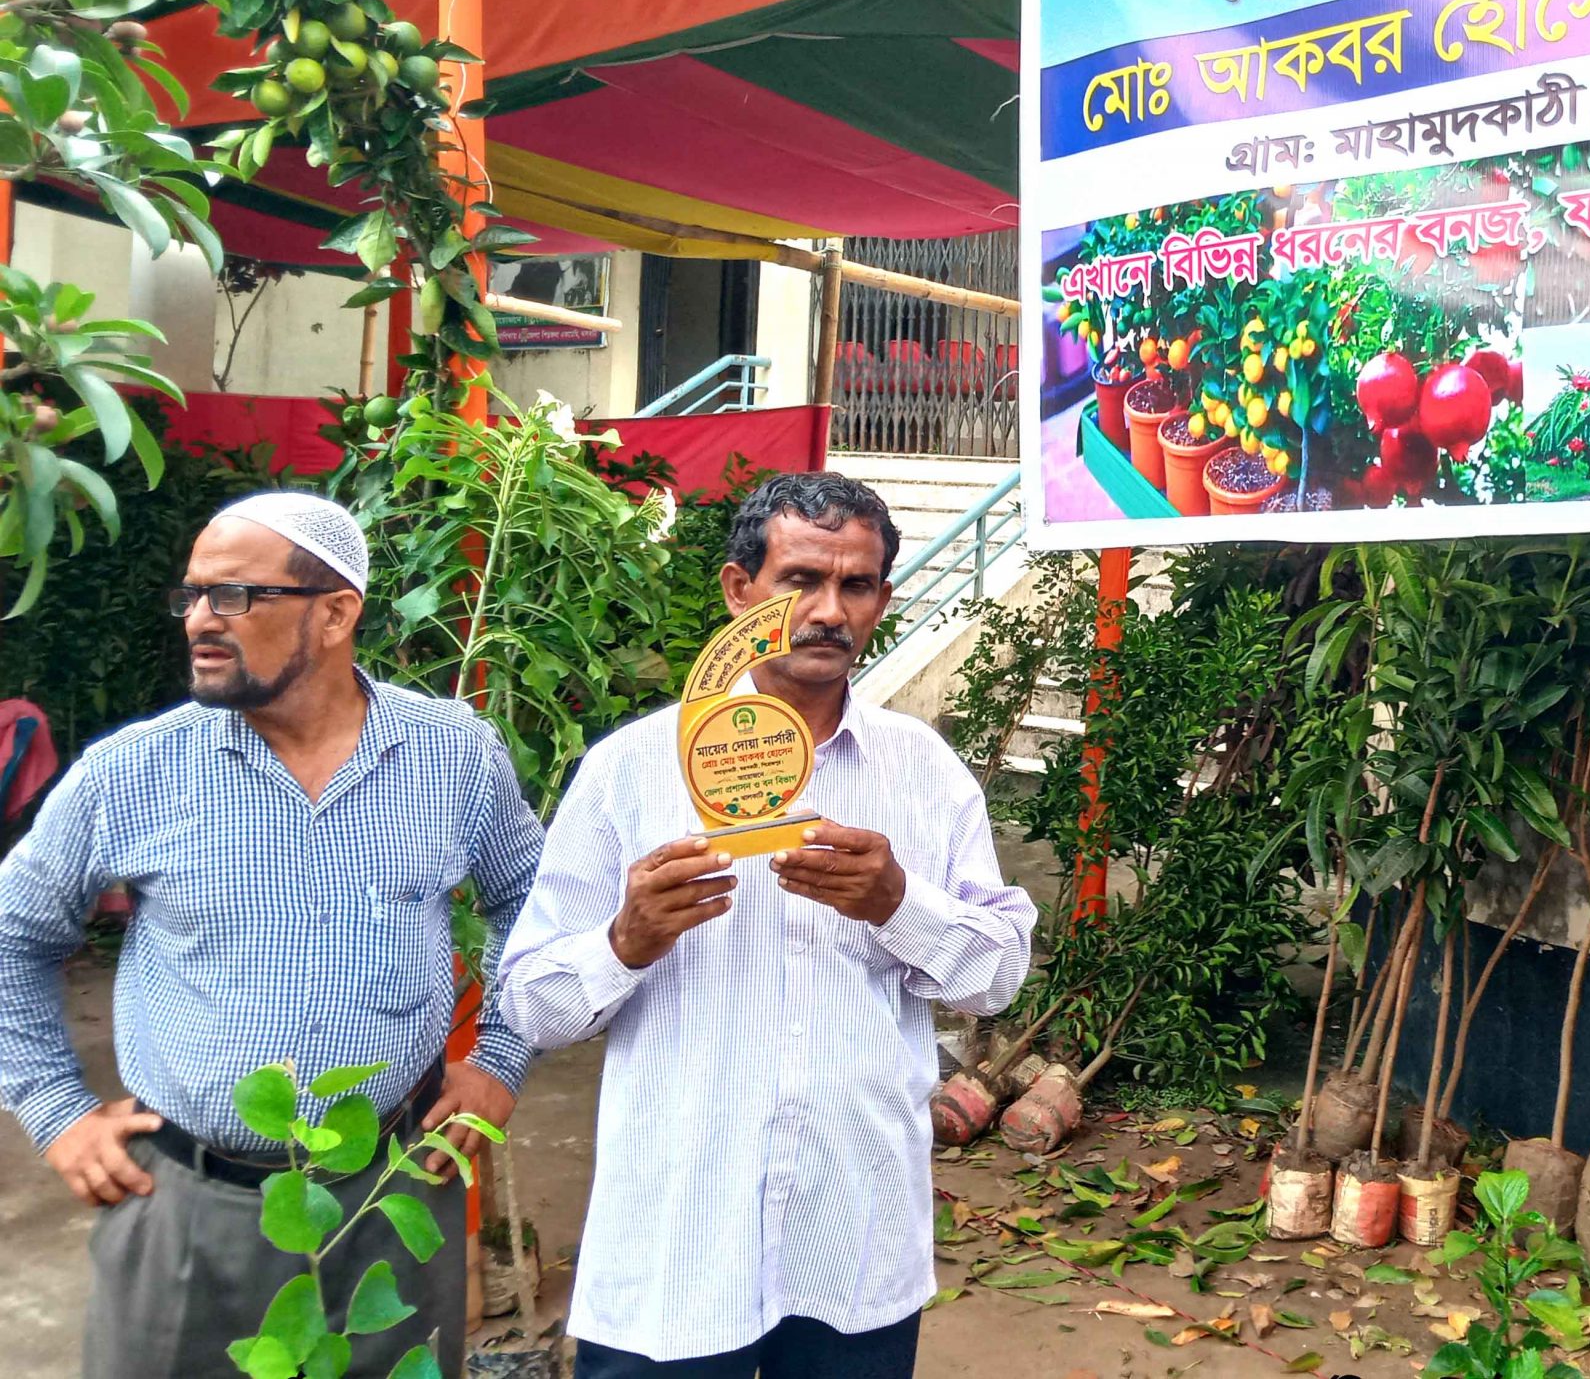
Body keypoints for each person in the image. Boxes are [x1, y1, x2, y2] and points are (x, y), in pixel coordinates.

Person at [498, 471, 1035, 1379]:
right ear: (739, 590)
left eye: (855, 584)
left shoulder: (924, 774)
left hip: (854, 1237)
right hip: (674, 1247)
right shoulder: (631, 771)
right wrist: (623, 941)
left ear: (882, 601)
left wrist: (898, 903)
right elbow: (533, 1006)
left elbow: (998, 975)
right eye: (800, 580)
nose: (828, 610)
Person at [0, 491, 546, 1379]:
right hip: (190, 1207)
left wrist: (500, 1058)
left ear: (336, 613)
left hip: (394, 1193)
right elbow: (11, 932)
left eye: (235, 596)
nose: (200, 622)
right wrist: (57, 1110)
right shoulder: (135, 772)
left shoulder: (452, 755)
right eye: (191, 597)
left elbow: (533, 900)